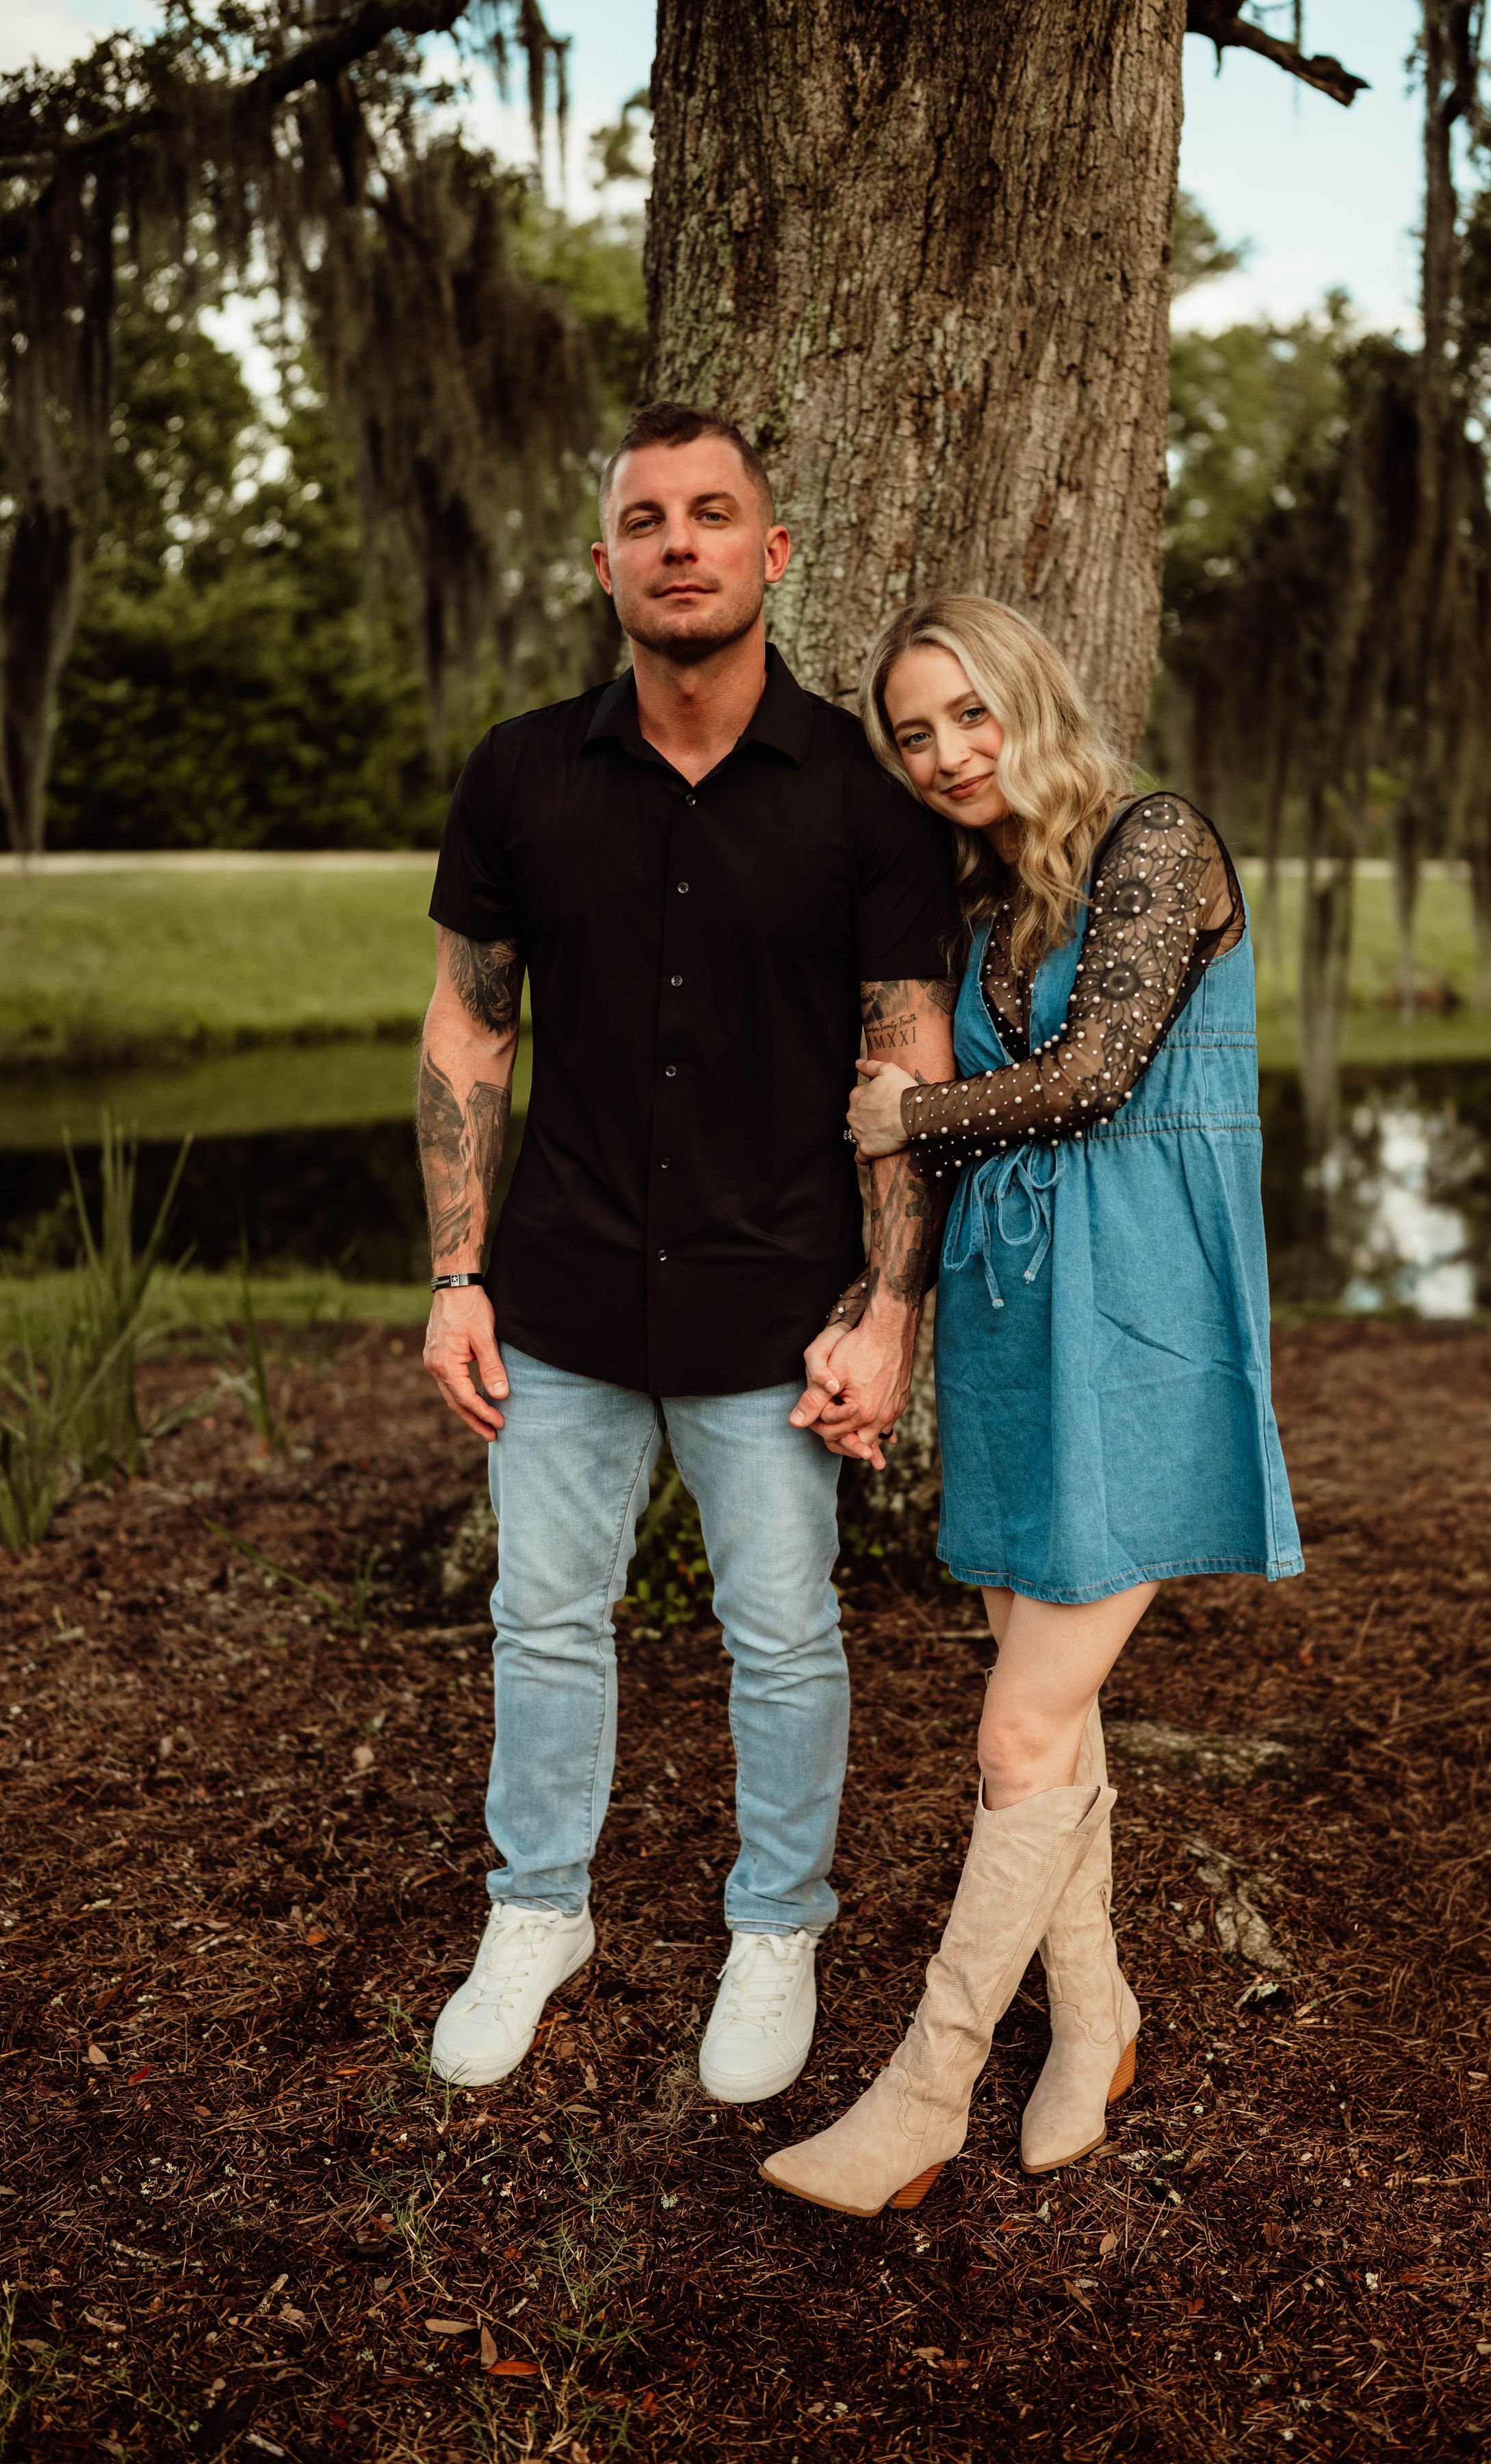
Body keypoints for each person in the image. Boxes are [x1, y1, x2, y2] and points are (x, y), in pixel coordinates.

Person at [417, 405, 957, 2103]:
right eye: (646, 519)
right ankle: (537, 1911)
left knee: (782, 1637)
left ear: (769, 553)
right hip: (562, 1291)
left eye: (712, 514)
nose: (678, 543)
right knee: (543, 1621)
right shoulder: (520, 773)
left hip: (773, 1308)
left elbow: (907, 1073)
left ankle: (777, 1926)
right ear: (605, 566)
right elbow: (468, 1030)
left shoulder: (866, 808)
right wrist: (454, 1275)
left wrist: (887, 1311)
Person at [760, 594, 1302, 2217]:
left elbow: (1094, 1074)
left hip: (1143, 1318)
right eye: (912, 734)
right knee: (1048, 1713)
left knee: (1013, 1723)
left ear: (1033, 698)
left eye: (969, 714)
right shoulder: (986, 892)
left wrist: (910, 1114)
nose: (944, 755)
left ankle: (923, 2091)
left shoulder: (1157, 842)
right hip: (1017, 1322)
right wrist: (891, 1288)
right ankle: (1095, 2020)